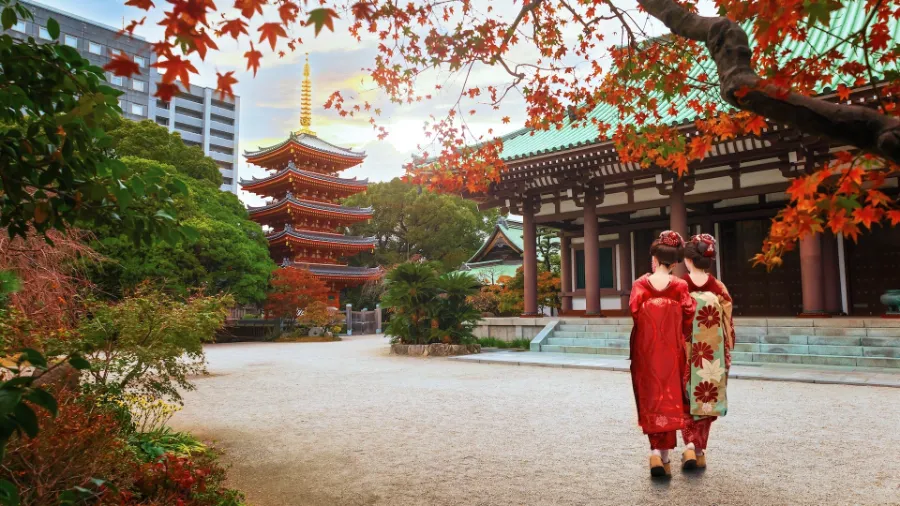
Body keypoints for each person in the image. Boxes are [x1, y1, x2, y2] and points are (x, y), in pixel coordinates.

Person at [629, 231, 695, 477]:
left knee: (652, 397)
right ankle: (675, 451)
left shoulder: (639, 285)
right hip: (672, 349)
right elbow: (689, 316)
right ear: (675, 262)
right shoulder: (680, 285)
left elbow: (636, 313)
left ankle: (658, 454)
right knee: (673, 395)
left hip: (646, 351)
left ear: (654, 258)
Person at [680, 233, 735, 471]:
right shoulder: (718, 287)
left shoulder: (680, 285)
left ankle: (690, 447)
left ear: (689, 260)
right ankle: (700, 450)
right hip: (712, 353)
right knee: (706, 398)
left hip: (687, 350)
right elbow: (727, 322)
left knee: (686, 398)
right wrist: (727, 349)